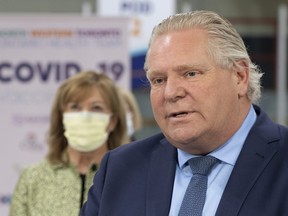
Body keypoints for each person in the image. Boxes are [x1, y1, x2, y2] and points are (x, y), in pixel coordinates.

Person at [81, 10, 288, 216]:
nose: (170, 93)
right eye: (159, 80)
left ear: (240, 77)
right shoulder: (119, 170)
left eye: (190, 74)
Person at [10, 71, 128, 216]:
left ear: (112, 121)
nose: (84, 116)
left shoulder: (128, 178)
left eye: (96, 108)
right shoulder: (32, 178)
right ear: (62, 117)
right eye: (75, 107)